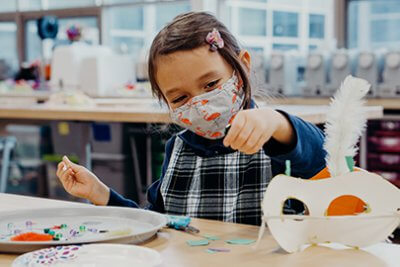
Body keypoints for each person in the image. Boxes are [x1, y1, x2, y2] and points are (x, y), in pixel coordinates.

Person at [57, 12, 326, 226]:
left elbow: (321, 159)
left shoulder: (277, 138)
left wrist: (275, 123)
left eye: (210, 84)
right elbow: (158, 224)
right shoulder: (178, 149)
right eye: (179, 98)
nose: (200, 105)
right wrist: (101, 194)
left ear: (242, 64)